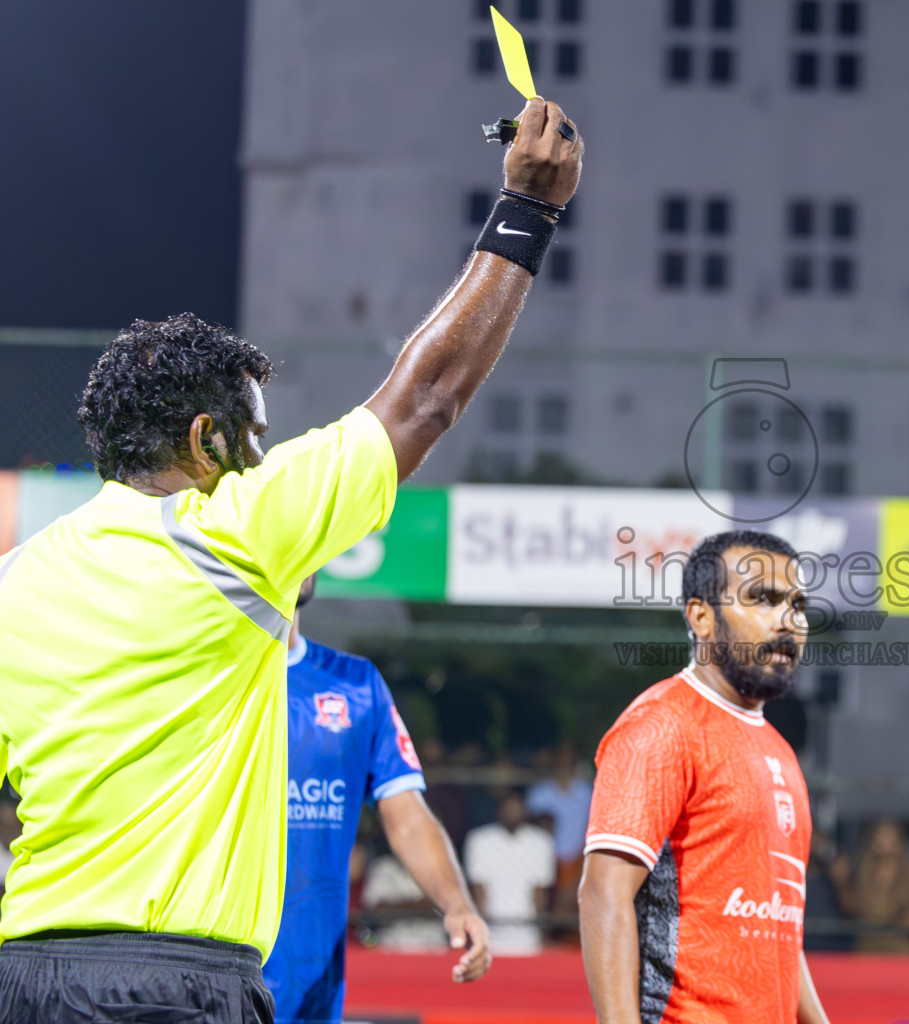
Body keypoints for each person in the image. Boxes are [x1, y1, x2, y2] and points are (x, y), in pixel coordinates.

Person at [0, 95, 581, 1022]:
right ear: (206, 440)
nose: (266, 458)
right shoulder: (234, 529)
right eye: (255, 437)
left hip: (26, 978)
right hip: (178, 985)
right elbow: (423, 399)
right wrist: (529, 213)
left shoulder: (16, 583)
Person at [579, 531, 831, 1024]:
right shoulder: (662, 725)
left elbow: (778, 927)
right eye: (762, 598)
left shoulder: (779, 750)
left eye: (797, 605)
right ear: (701, 617)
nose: (788, 621)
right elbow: (603, 893)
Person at [263, 576, 490, 1023]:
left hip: (313, 987)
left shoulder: (356, 683)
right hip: (213, 971)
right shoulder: (207, 678)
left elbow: (406, 815)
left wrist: (457, 904)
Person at [465, 791, 557, 955]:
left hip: (529, 934)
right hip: (492, 932)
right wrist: (479, 936)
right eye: (508, 807)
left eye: (517, 807)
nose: (513, 811)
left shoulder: (541, 842)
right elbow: (479, 892)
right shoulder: (480, 840)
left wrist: (541, 933)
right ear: (499, 810)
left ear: (525, 811)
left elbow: (540, 893)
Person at [526, 743, 593, 911]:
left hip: (578, 860)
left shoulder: (586, 793)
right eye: (561, 761)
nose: (564, 765)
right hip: (543, 858)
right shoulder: (538, 794)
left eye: (568, 761)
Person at [847, 819, 909, 955]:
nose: (886, 840)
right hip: (868, 940)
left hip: (900, 941)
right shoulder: (861, 870)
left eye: (890, 835)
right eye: (881, 835)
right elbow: (851, 906)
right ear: (873, 840)